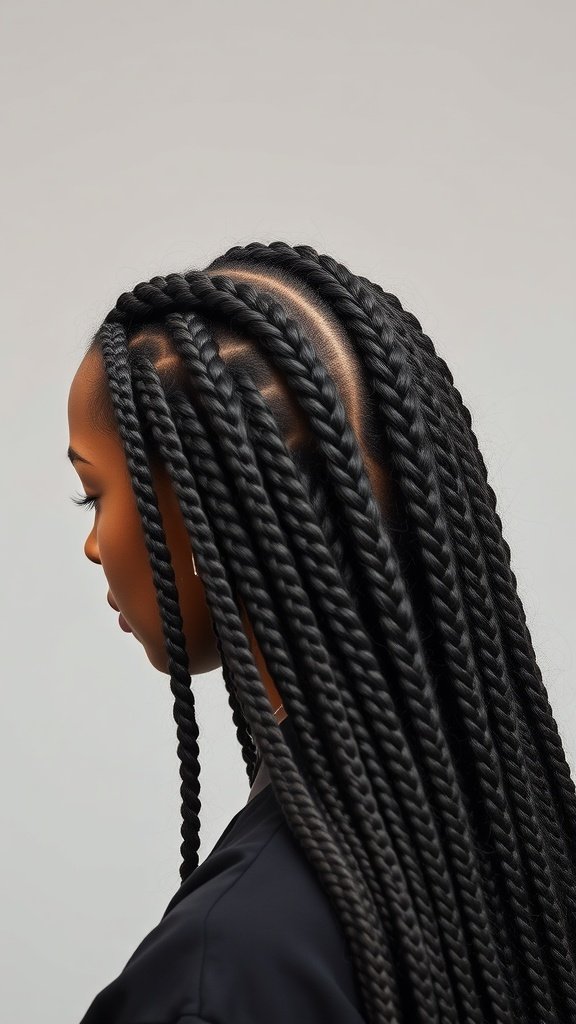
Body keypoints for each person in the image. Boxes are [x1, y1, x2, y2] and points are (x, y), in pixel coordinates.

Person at [66, 241, 576, 1024]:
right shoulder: (526, 858)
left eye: (92, 492)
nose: (93, 545)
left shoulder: (221, 974)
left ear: (211, 509)